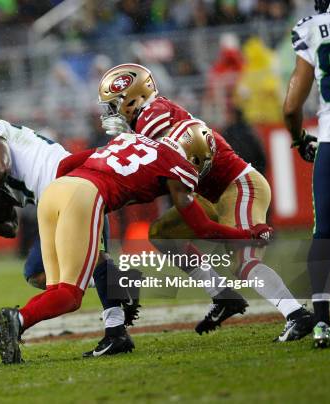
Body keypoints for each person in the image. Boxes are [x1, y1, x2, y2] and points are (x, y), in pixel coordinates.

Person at [0, 120, 273, 364]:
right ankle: (16, 320)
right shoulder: (180, 167)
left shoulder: (131, 139)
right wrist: (248, 234)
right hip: (84, 196)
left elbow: (67, 164)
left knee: (54, 288)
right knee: (69, 295)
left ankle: (24, 324)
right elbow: (201, 227)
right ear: (196, 155)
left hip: (53, 192)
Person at [98, 63, 314, 342]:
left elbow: (160, 167)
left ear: (133, 98)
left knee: (244, 262)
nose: (110, 113)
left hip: (237, 185)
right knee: (162, 234)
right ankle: (222, 295)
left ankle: (297, 314)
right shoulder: (150, 116)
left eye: (114, 104)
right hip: (210, 193)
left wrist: (127, 142)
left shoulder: (153, 115)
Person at [0, 120, 139, 357]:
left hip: (69, 182)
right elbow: (10, 227)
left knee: (74, 285)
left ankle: (112, 318)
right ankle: (115, 306)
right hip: (60, 196)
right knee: (38, 272)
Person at [282, 0, 330, 348]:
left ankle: (323, 323)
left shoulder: (311, 28)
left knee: (323, 234)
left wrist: (299, 139)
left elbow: (291, 106)